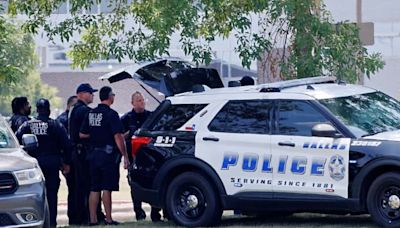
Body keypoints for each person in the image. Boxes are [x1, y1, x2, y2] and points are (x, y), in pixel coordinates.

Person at [16, 98, 71, 227]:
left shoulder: (28, 125)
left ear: (37, 109)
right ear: (49, 109)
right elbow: (67, 145)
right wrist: (66, 163)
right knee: (52, 194)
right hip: (52, 163)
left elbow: (16, 140)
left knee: (34, 195)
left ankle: (34, 221)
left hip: (34, 165)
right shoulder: (56, 125)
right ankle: (51, 223)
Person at [80, 86, 130, 225]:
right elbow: (118, 137)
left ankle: (93, 220)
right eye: (113, 94)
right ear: (110, 97)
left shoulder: (90, 114)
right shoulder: (112, 114)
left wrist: (96, 134)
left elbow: (82, 134)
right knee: (107, 187)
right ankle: (108, 218)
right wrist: (125, 156)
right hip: (108, 156)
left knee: (94, 187)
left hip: (93, 155)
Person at [121, 92, 163, 221]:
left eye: (142, 100)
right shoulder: (126, 118)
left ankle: (156, 212)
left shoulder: (151, 116)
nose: (141, 103)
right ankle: (138, 213)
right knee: (134, 185)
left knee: (154, 183)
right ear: (132, 103)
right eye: (138, 100)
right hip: (133, 156)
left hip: (150, 157)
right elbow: (119, 137)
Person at [68, 83, 104, 225]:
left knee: (79, 186)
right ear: (81, 94)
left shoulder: (73, 109)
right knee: (88, 185)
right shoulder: (84, 111)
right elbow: (87, 132)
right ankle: (88, 216)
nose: (92, 95)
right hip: (83, 152)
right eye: (90, 93)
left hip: (76, 152)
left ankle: (79, 217)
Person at [56, 95, 78, 224]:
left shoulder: (69, 118)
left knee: (76, 189)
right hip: (68, 160)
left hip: (73, 158)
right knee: (73, 189)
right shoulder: (62, 120)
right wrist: (64, 163)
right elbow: (60, 144)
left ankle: (77, 217)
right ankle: (73, 218)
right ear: (69, 106)